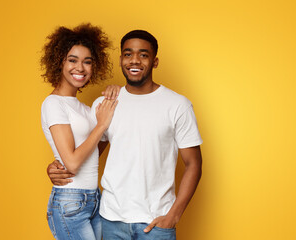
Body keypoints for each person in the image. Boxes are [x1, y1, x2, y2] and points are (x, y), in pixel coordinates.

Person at [48, 30, 203, 240]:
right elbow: (87, 154)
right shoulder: (105, 105)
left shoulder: (178, 105)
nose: (135, 60)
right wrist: (57, 166)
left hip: (156, 222)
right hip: (110, 220)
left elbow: (193, 164)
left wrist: (174, 215)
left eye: (144, 55)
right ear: (121, 60)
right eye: (128, 54)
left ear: (155, 61)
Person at [41, 23, 118, 240]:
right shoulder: (53, 103)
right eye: (72, 60)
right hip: (70, 201)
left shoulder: (85, 109)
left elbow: (93, 151)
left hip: (94, 199)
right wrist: (101, 125)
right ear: (59, 62)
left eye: (87, 62)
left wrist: (116, 90)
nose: (80, 68)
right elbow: (73, 164)